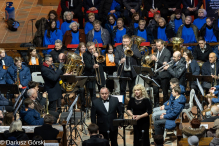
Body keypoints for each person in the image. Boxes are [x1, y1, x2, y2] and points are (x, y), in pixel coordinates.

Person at [115, 34, 141, 99]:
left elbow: (139, 56)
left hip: (132, 71)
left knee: (132, 90)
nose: (125, 43)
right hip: (122, 72)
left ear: (129, 41)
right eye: (123, 41)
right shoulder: (118, 47)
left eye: (126, 41)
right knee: (122, 89)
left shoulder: (134, 46)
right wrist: (120, 61)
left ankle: (131, 105)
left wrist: (131, 50)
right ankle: (122, 106)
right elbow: (116, 59)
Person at [150, 39, 171, 106]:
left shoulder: (167, 52)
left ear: (163, 45)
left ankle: (165, 106)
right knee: (155, 91)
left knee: (165, 92)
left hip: (163, 75)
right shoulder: (156, 50)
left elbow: (164, 65)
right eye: (157, 46)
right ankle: (156, 105)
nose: (157, 47)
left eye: (159, 46)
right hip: (155, 74)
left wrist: (156, 59)